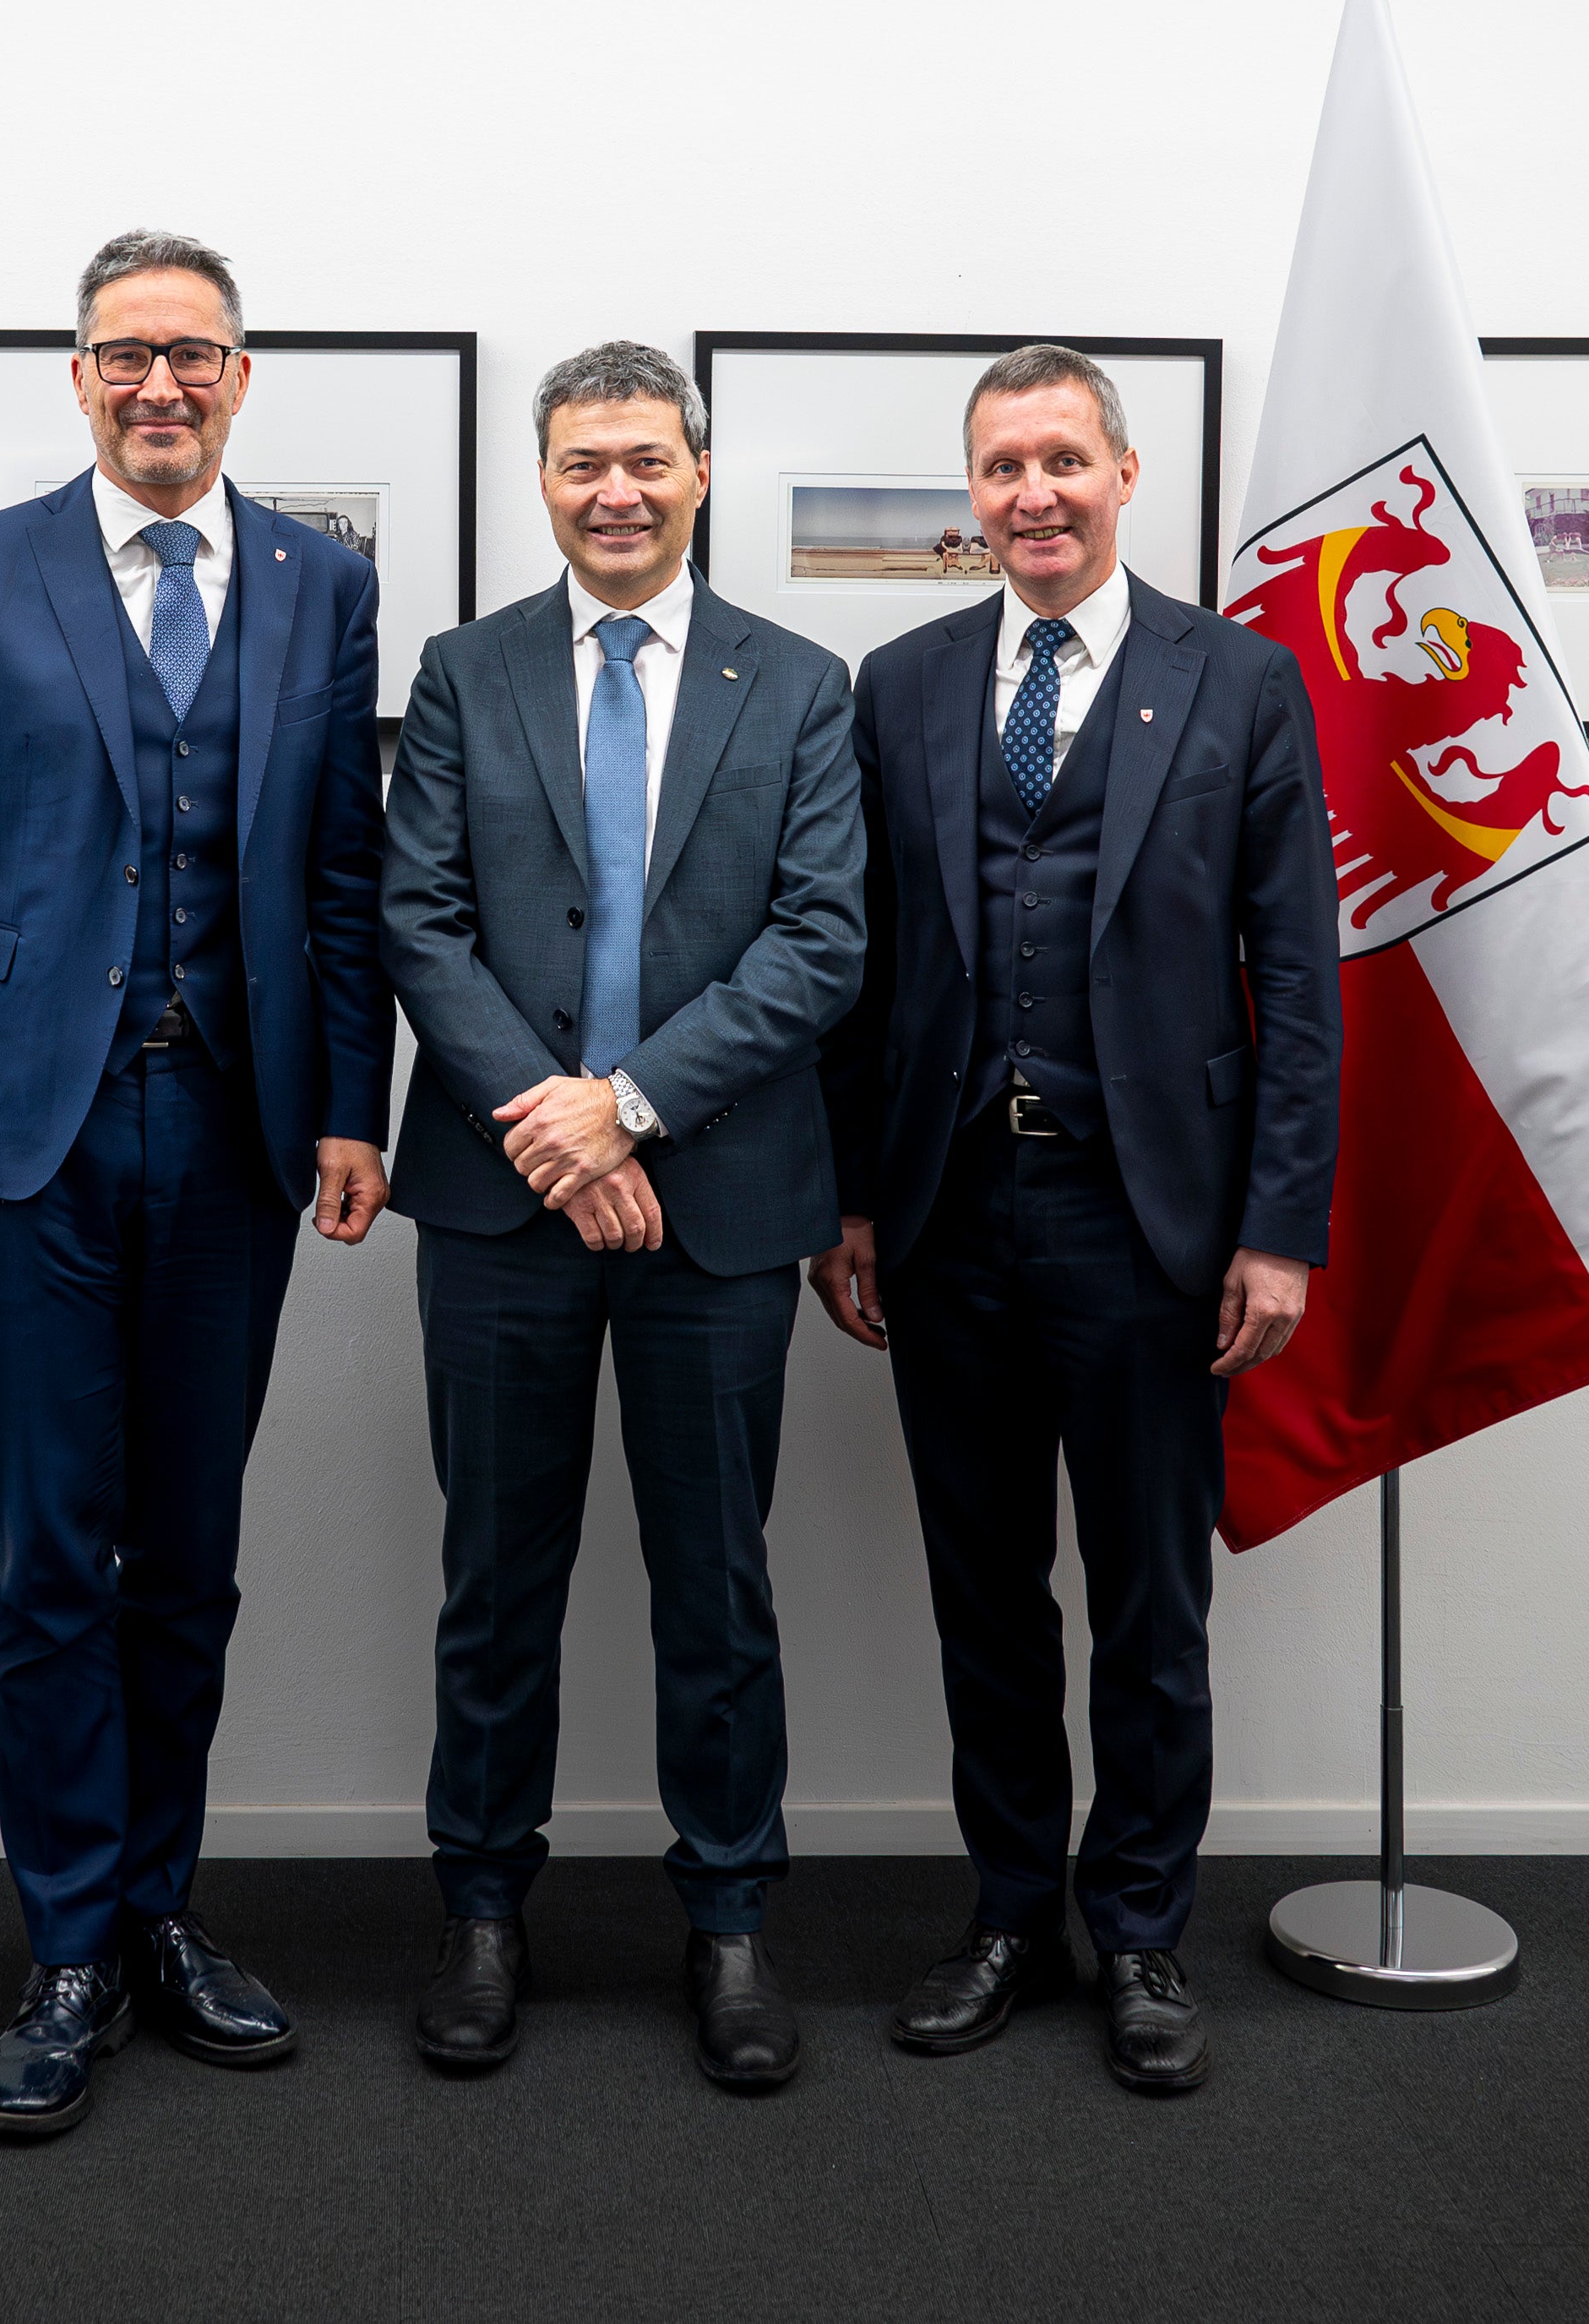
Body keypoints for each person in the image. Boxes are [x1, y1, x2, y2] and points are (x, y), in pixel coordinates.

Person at [0, 230, 393, 2140]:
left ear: (243, 375)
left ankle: (160, 1908)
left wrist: (356, 1101)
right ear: (76, 377)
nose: (157, 383)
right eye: (122, 353)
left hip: (241, 1137)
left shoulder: (321, 579)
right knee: (54, 1559)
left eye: (192, 352)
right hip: (32, 1145)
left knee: (189, 1554)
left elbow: (345, 865)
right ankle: (69, 1940)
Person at [813, 344, 1340, 2095]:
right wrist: (856, 1199)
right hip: (954, 1212)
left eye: (1060, 458)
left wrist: (1280, 1225)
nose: (1030, 492)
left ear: (1125, 472)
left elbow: (1298, 978)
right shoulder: (897, 686)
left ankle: (1145, 1934)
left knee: (1148, 1607)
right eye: (999, 466)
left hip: (1153, 1225)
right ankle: (1008, 1913)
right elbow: (863, 978)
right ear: (973, 495)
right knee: (982, 1594)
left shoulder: (1241, 681)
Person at [381, 341, 865, 2090]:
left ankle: (729, 1919)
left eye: (647, 458)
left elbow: (824, 937)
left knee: (717, 1587)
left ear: (701, 469)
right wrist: (559, 1133)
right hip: (505, 1209)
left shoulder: (801, 683)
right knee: (493, 1581)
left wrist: (631, 1105)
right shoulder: (465, 671)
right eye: (584, 461)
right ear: (545, 477)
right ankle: (484, 1910)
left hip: (722, 1205)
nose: (616, 489)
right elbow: (419, 918)